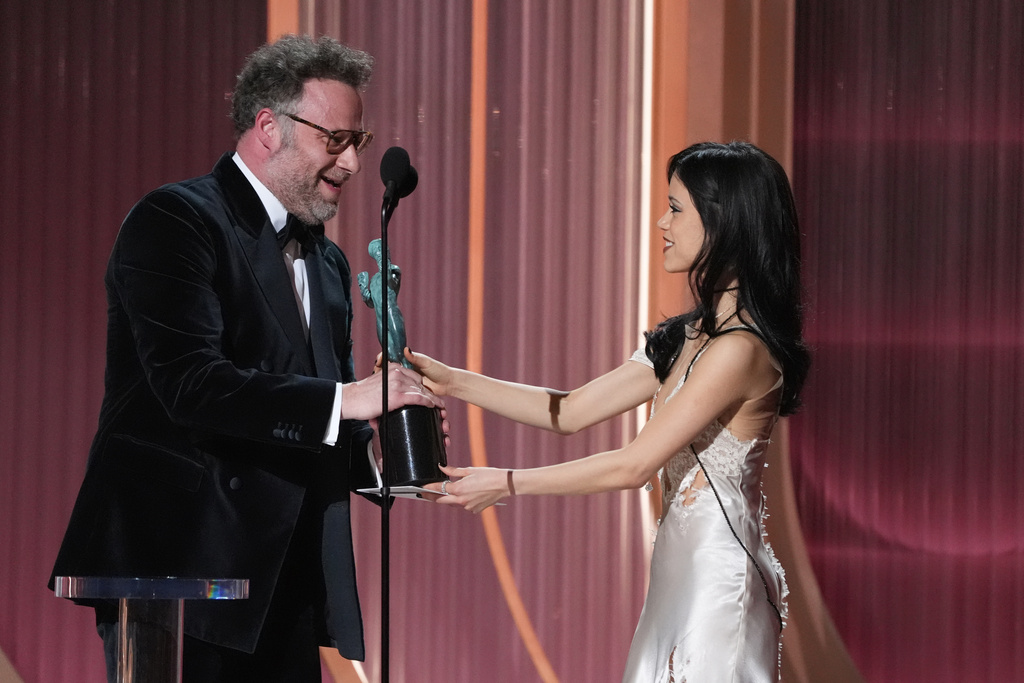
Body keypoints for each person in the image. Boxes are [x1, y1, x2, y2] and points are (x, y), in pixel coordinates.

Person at [48, 35, 443, 682]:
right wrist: (350, 399)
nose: (349, 165)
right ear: (268, 128)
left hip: (283, 581)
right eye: (334, 141)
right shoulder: (174, 220)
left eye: (358, 144)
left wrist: (385, 453)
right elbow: (192, 385)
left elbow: (319, 416)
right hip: (177, 573)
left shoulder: (329, 262)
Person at [408, 141, 810, 682]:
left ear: (724, 224)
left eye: (676, 208)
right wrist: (455, 381)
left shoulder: (741, 350)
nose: (662, 223)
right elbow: (571, 410)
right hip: (676, 577)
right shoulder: (686, 336)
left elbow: (633, 466)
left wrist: (505, 482)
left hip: (717, 587)